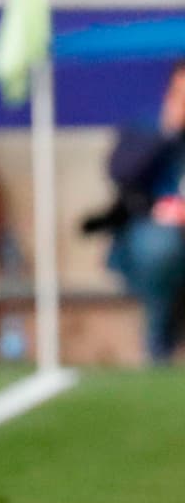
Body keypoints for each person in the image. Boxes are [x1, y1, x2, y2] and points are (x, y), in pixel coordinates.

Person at [86, 59, 185, 363]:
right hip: (150, 230)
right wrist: (167, 133)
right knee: (162, 248)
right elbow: (122, 174)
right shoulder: (147, 129)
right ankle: (157, 343)